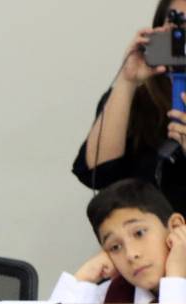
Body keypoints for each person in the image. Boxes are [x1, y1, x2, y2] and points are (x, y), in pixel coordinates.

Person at [73, 0, 186, 214]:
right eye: (177, 26)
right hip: (142, 240)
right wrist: (127, 81)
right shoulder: (138, 99)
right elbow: (98, 173)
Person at [49, 178, 186, 304]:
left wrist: (176, 278)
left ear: (175, 227)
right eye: (115, 247)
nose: (131, 255)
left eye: (139, 233)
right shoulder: (112, 294)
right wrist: (86, 275)